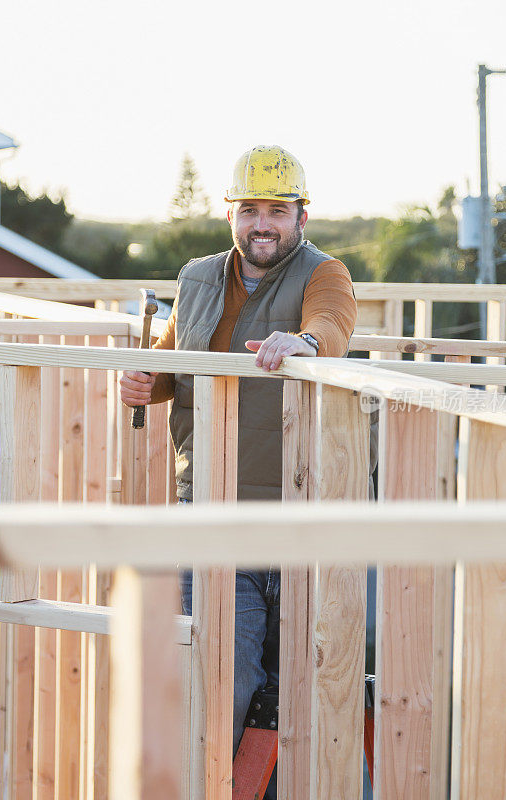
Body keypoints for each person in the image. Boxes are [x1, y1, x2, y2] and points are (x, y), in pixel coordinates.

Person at [119, 145, 357, 798]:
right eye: (249, 209)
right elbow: (174, 359)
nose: (262, 224)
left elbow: (331, 325)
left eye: (276, 211)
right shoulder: (196, 277)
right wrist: (148, 381)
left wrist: (302, 344)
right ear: (229, 213)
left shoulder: (322, 273)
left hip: (300, 515)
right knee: (221, 682)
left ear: (301, 217)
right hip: (211, 509)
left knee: (301, 697)